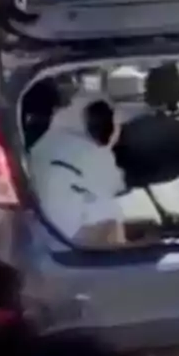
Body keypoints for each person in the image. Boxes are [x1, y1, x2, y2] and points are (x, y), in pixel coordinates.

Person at [28, 92, 130, 248]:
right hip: (75, 236)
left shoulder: (43, 144)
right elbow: (118, 185)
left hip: (40, 234)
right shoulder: (95, 154)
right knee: (113, 216)